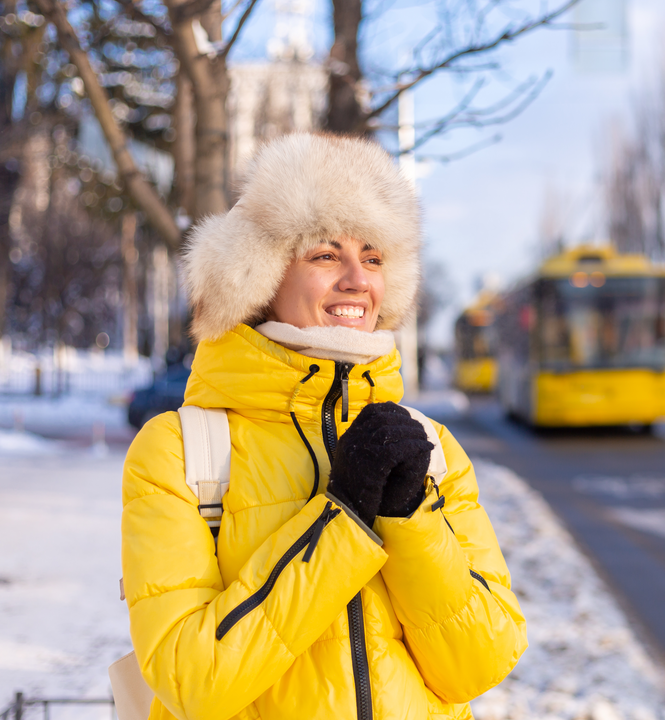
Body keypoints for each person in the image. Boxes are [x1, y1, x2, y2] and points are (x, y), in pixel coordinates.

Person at [120, 133, 527, 720]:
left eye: (375, 256)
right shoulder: (181, 453)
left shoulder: (432, 448)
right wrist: (343, 519)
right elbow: (192, 680)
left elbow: (480, 664)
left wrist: (411, 518)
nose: (358, 279)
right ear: (259, 277)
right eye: (325, 254)